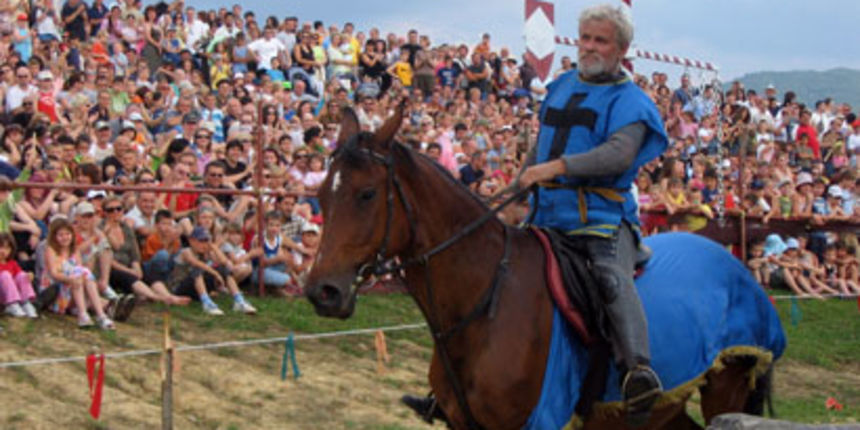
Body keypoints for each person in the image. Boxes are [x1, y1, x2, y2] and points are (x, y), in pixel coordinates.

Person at [516, 4, 666, 425]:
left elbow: (618, 154)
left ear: (621, 49)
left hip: (601, 219)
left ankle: (637, 370)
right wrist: (517, 185)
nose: (590, 47)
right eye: (586, 38)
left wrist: (559, 168)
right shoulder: (561, 86)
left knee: (610, 277)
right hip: (545, 217)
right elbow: (543, 146)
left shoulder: (632, 101)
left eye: (601, 40)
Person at [0, 233, 38, 318]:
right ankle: (11, 304)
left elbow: (20, 276)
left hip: (15, 294)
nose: (3, 251)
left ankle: (25, 303)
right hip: (2, 295)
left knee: (22, 275)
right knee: (5, 275)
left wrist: (28, 275)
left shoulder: (12, 263)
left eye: (7, 248)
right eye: (1, 247)